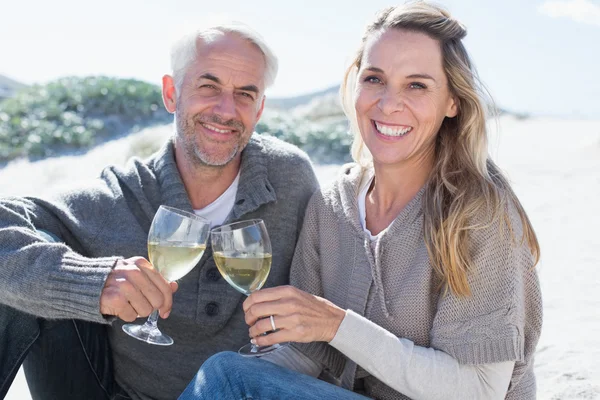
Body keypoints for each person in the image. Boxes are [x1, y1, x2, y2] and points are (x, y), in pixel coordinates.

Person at [179, 2, 543, 400]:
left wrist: (336, 324)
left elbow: (478, 390)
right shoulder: (332, 205)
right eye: (374, 79)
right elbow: (306, 357)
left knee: (225, 375)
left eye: (416, 85)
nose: (388, 103)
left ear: (452, 102)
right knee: (228, 375)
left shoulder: (478, 213)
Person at [0, 21, 319, 400]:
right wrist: (90, 282)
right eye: (208, 86)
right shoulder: (121, 193)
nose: (226, 110)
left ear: (261, 107)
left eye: (245, 94)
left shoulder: (290, 178)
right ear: (172, 93)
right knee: (26, 282)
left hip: (243, 392)